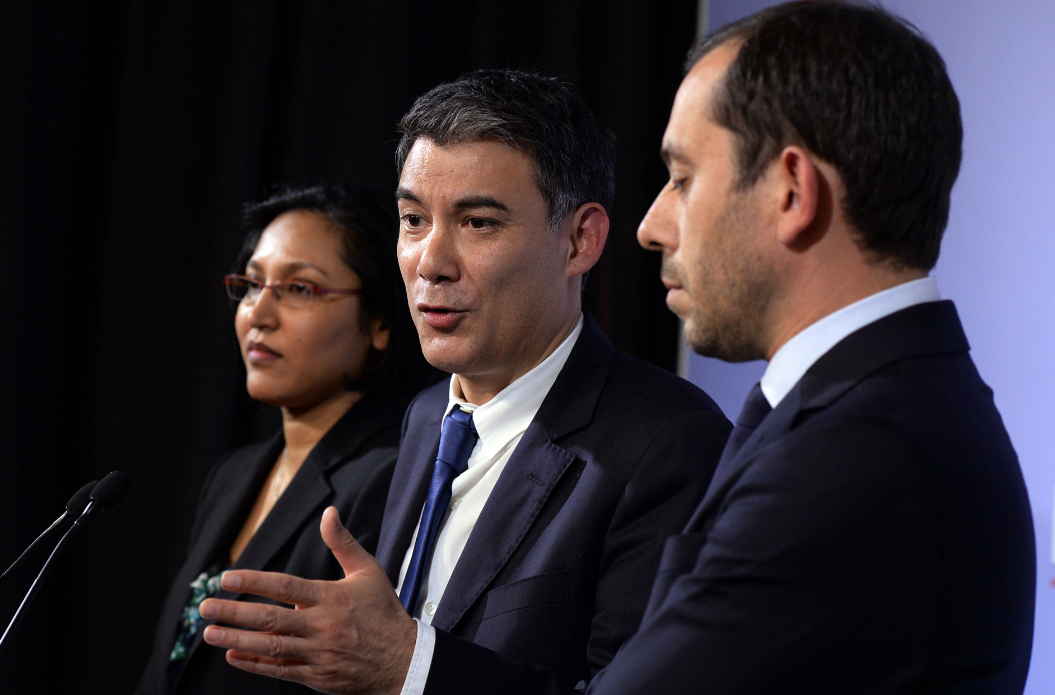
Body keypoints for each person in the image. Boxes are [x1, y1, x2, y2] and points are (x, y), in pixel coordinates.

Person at [194, 4, 1037, 694]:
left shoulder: (859, 451)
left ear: (789, 191)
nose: (652, 224)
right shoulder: (859, 412)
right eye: (413, 219)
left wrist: (400, 663)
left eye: (681, 177)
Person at [194, 69, 732, 692]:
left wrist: (410, 668)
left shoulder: (667, 443)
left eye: (478, 223)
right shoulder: (427, 417)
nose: (431, 262)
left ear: (580, 241)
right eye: (413, 219)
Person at [135, 184, 438, 695]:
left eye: (300, 289)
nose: (259, 314)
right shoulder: (231, 475)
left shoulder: (391, 479)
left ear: (381, 323)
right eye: (252, 285)